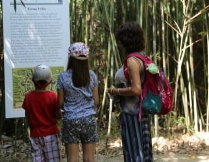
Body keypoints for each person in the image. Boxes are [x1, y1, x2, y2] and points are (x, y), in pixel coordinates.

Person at [108, 22, 153, 162]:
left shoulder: (132, 60)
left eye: (120, 40)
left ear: (126, 40)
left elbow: (136, 89)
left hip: (133, 112)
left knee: (135, 153)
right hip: (141, 110)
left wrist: (116, 91)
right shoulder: (142, 56)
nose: (119, 44)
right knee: (143, 152)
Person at [57, 42, 99, 162]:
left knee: (72, 158)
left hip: (70, 119)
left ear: (70, 58)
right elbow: (96, 101)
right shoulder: (92, 75)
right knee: (89, 158)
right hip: (89, 119)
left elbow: (60, 102)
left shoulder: (63, 77)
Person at [22, 64, 62, 162]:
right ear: (50, 81)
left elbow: (28, 115)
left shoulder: (28, 97)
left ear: (33, 80)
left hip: (35, 134)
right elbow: (58, 116)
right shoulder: (53, 96)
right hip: (51, 134)